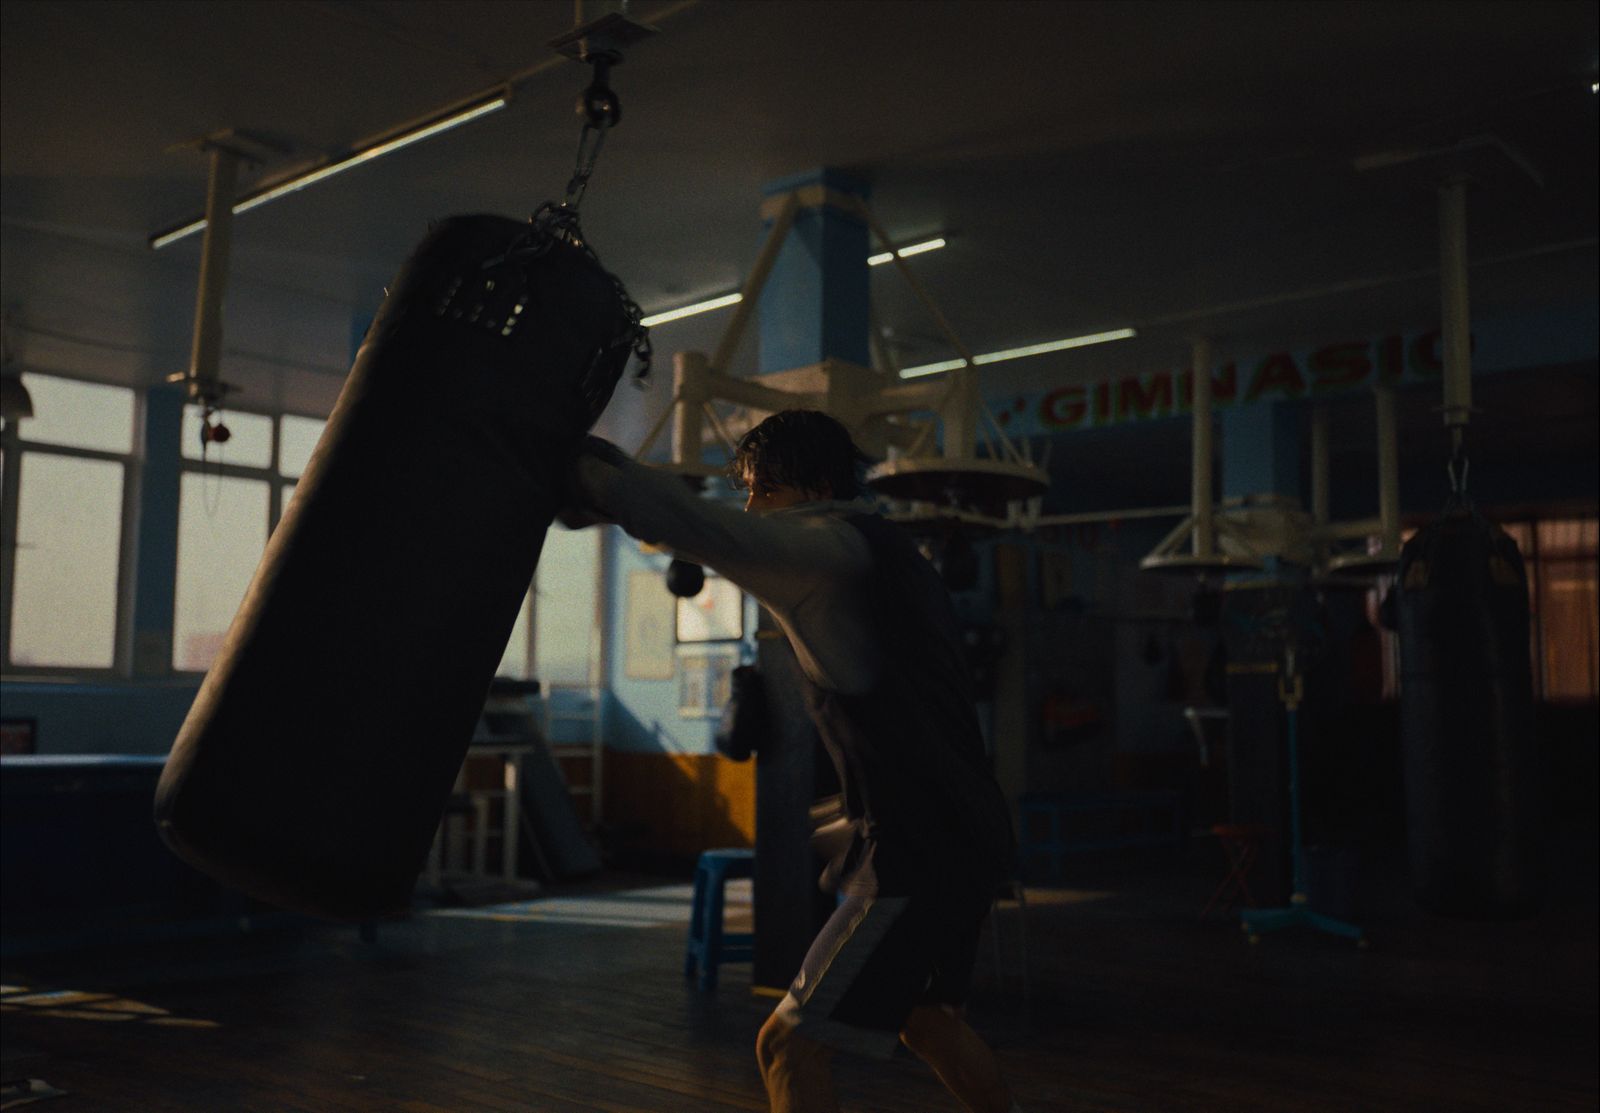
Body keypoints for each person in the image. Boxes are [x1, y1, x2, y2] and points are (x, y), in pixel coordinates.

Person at [565, 410, 1022, 1113]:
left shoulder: (826, 550)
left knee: (787, 1043)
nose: (752, 505)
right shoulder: (894, 554)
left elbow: (710, 529)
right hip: (965, 833)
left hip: (916, 851)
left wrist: (590, 476)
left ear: (810, 484)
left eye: (763, 488)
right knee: (926, 1017)